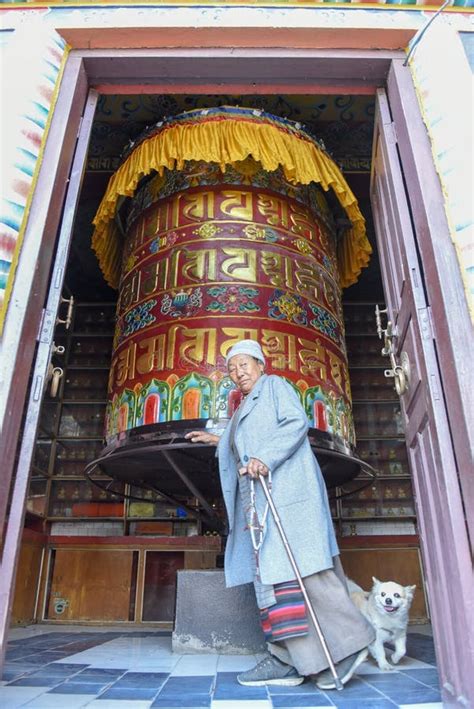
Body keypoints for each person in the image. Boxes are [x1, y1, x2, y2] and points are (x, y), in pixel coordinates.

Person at [185, 339, 374, 689]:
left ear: (261, 365)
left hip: (287, 497)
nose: (238, 372)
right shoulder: (245, 407)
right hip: (263, 506)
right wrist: (218, 439)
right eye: (232, 368)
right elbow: (248, 436)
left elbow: (294, 422)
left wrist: (264, 458)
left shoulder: (274, 386)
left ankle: (349, 646)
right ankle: (289, 659)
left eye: (244, 364)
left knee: (307, 572)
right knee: (276, 581)